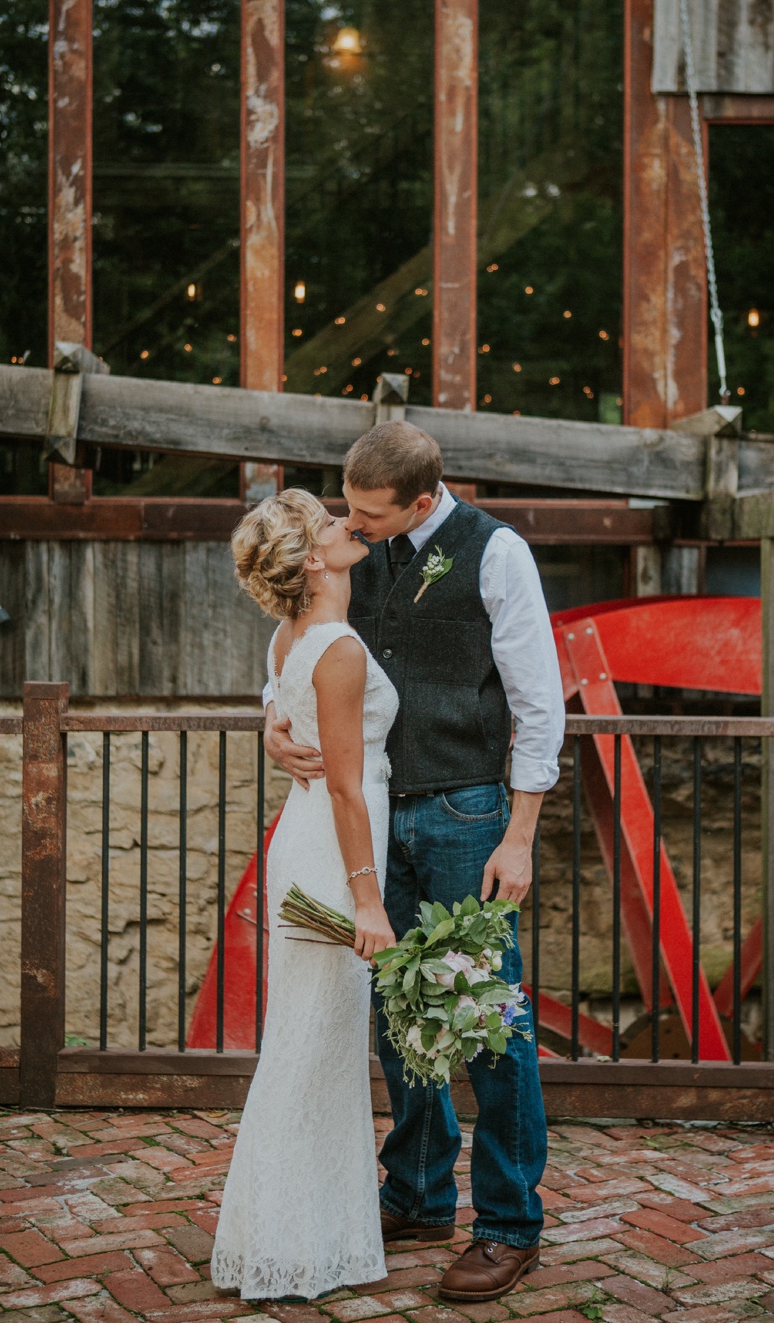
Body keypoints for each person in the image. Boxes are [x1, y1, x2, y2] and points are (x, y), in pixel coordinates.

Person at [263, 422, 562, 1305]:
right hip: (375, 815)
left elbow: (540, 703)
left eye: (367, 512)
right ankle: (419, 1190)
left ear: (423, 503)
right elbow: (305, 641)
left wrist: (520, 834)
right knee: (397, 1007)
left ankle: (509, 1223)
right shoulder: (359, 549)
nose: (348, 524)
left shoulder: (496, 554)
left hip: (467, 811)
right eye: (344, 508)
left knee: (488, 1017)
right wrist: (272, 721)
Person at [213, 488, 397, 1301]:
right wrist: (367, 901)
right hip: (334, 849)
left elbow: (280, 697)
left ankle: (301, 1232)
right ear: (314, 560)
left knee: (312, 1041)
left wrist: (269, 720)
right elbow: (352, 789)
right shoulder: (341, 648)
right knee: (313, 1046)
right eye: (329, 522)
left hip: (306, 836)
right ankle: (286, 1246)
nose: (344, 523)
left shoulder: (288, 634)